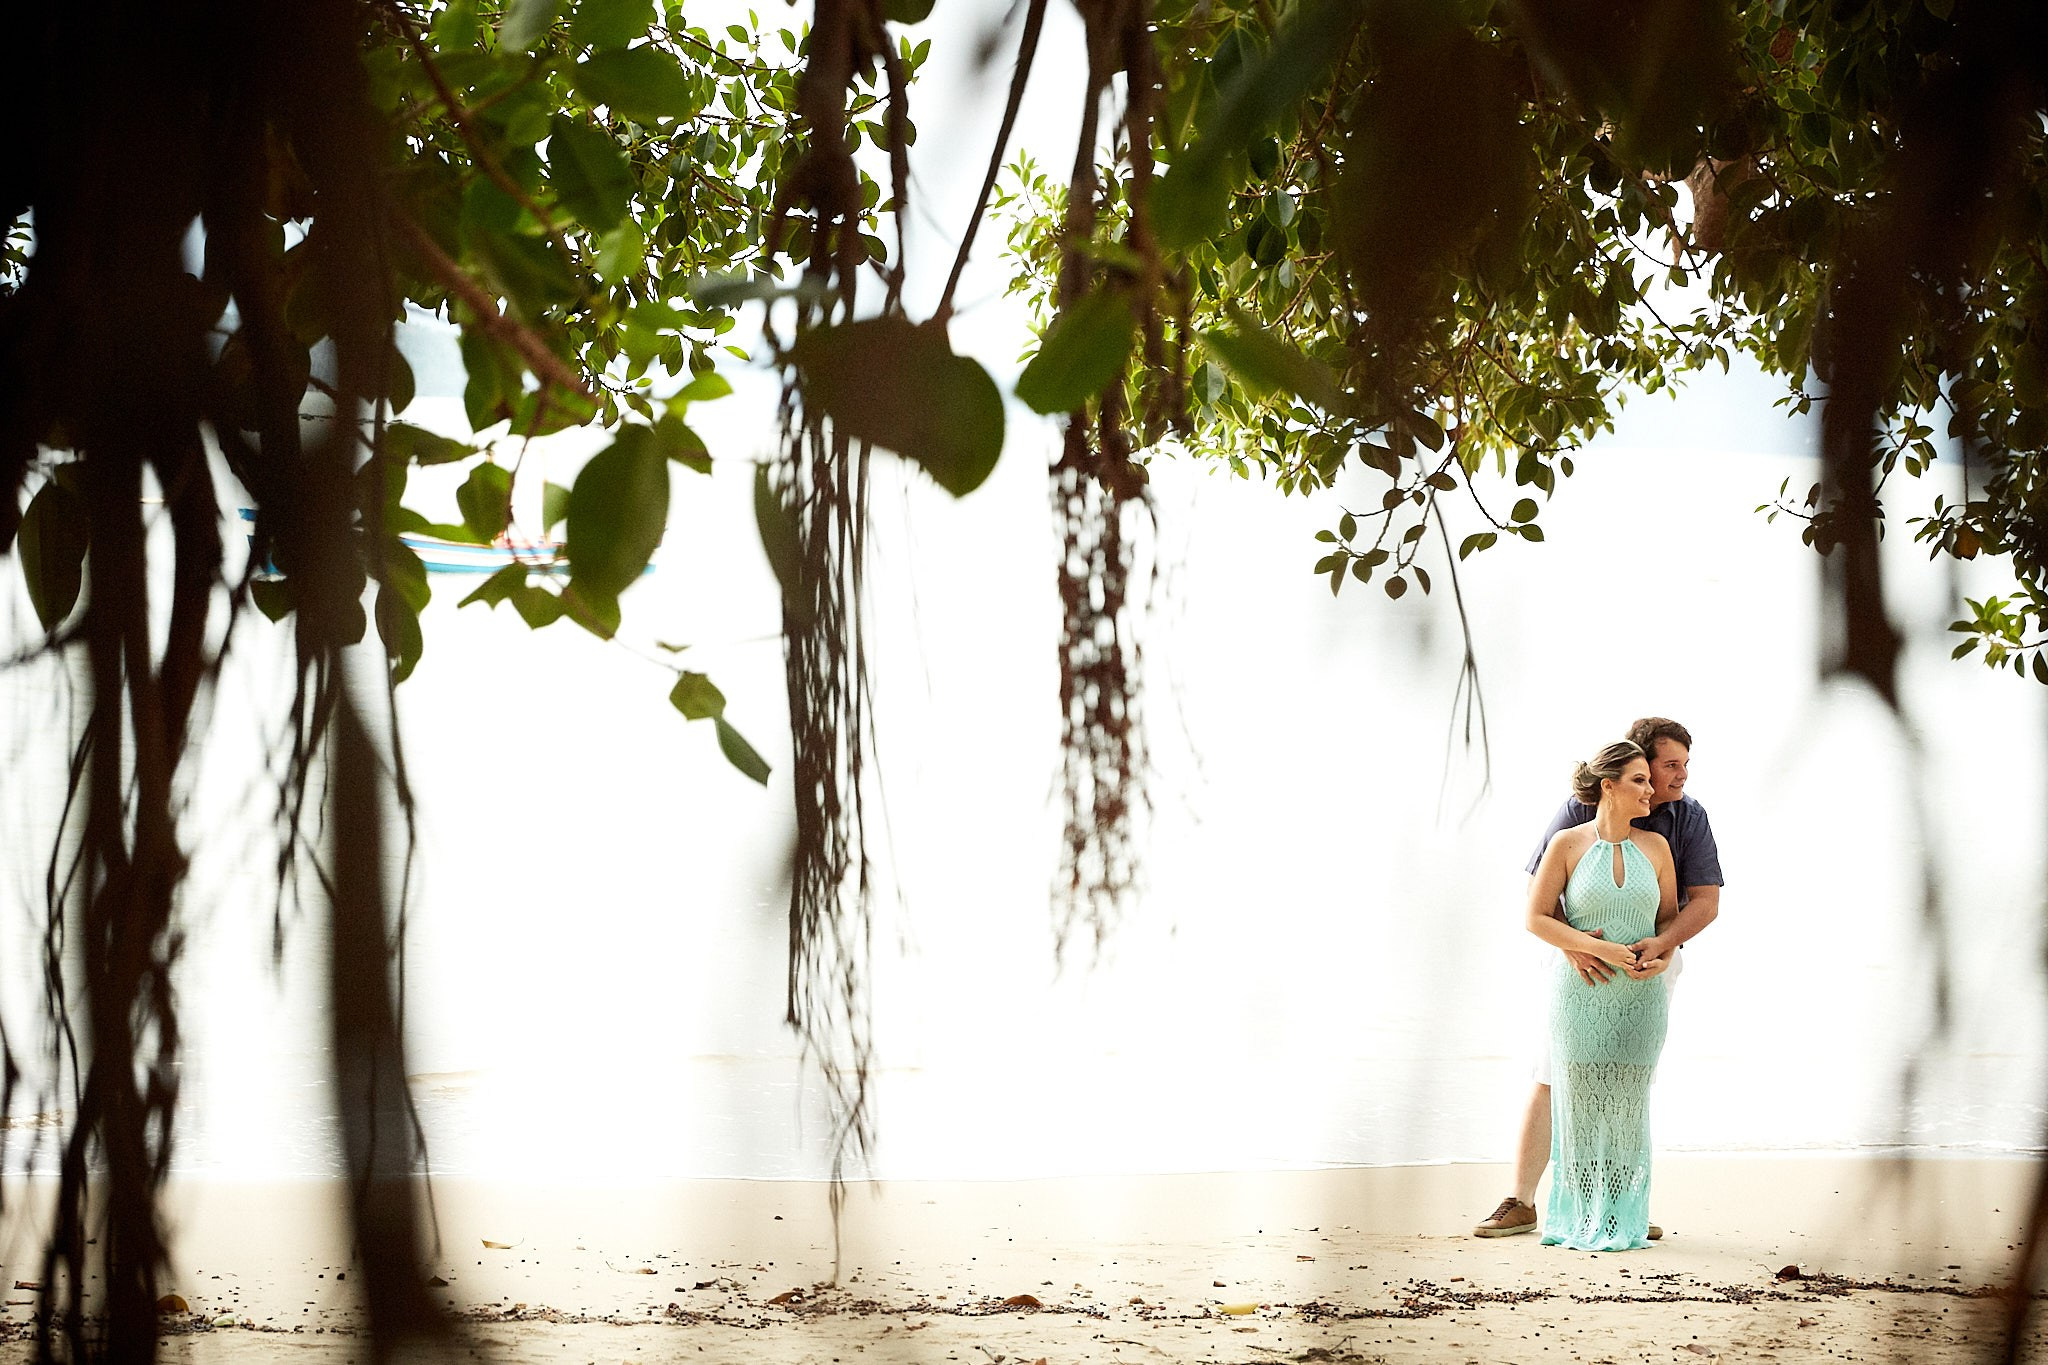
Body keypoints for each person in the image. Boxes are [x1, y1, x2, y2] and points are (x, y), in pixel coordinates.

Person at [1473, 717, 1724, 1239]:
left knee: (1629, 1082)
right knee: (1552, 1073)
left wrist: (1663, 946)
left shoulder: (1687, 817)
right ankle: (1521, 1200)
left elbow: (1703, 902)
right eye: (1667, 766)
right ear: (1630, 768)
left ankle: (1620, 1203)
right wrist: (1577, 947)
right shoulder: (1577, 813)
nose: (1677, 777)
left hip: (1654, 959)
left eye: (1683, 765)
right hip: (1575, 964)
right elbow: (1539, 900)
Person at [1527, 740, 1675, 1249]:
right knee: (1581, 1107)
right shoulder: (1566, 844)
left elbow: (1668, 921)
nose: (1651, 789)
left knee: (1628, 1109)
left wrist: (1663, 955)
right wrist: (1594, 948)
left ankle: (1622, 1216)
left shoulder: (1657, 848)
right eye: (1640, 780)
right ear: (1608, 787)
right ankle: (1580, 1214)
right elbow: (1536, 917)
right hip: (1580, 994)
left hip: (1641, 999)